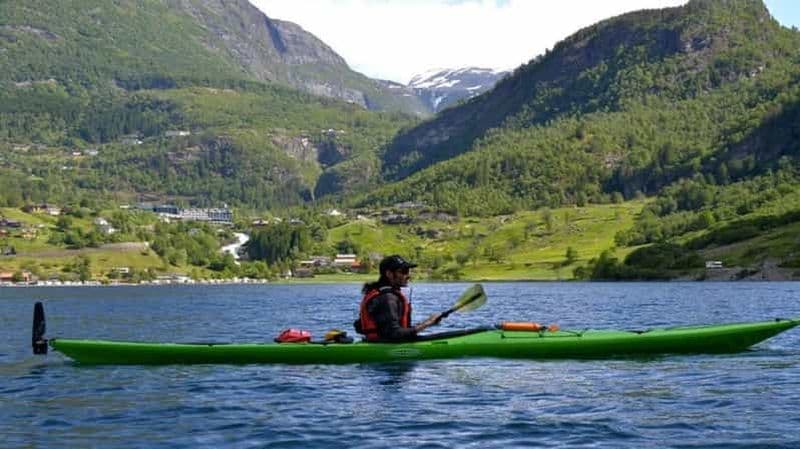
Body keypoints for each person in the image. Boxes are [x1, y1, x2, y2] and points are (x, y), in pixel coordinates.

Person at [355, 255, 442, 341]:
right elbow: (394, 334)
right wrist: (427, 323)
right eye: (403, 272)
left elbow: (359, 326)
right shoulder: (387, 298)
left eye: (408, 271)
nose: (408, 275)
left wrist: (429, 322)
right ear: (389, 274)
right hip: (385, 346)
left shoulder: (384, 294)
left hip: (384, 342)